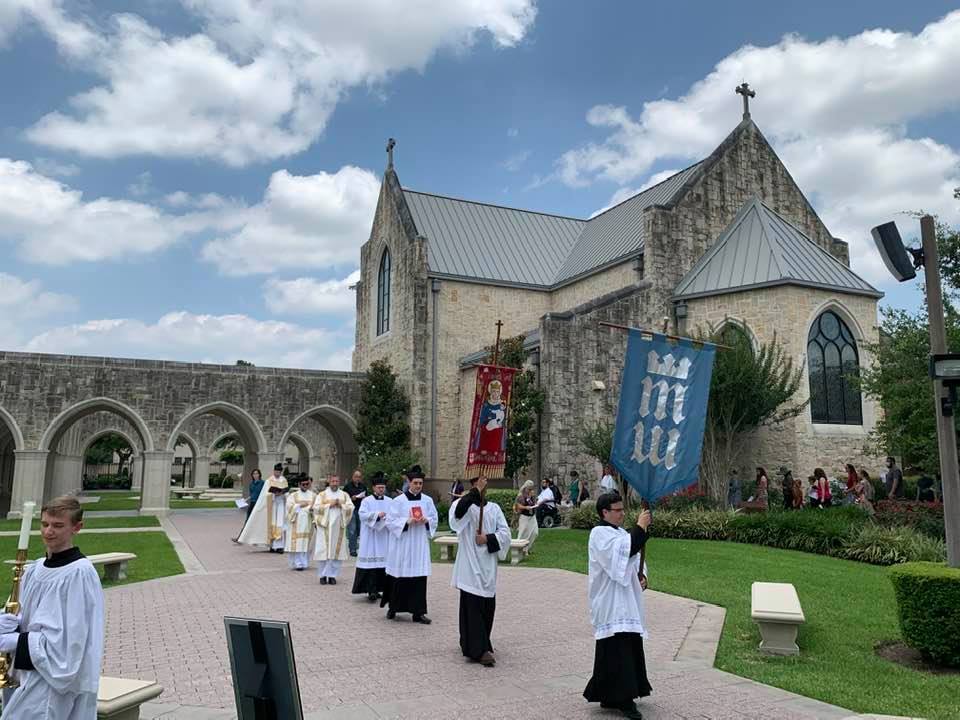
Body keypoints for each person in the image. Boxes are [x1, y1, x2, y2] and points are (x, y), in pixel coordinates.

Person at [0, 496, 104, 719]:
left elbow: (72, 641)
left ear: (77, 527)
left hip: (54, 681)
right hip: (24, 670)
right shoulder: (34, 569)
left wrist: (19, 641)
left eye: (58, 525)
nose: (49, 531)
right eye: (45, 524)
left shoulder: (79, 574)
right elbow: (21, 614)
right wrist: (6, 621)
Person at [583, 492, 652, 720]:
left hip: (626, 601)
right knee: (617, 649)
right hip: (611, 601)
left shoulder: (621, 533)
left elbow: (631, 560)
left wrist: (642, 576)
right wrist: (641, 528)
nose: (622, 513)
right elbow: (619, 558)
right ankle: (623, 699)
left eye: (623, 509)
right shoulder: (599, 534)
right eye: (618, 510)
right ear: (605, 512)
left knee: (625, 646)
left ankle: (609, 693)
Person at [450, 476, 511, 666]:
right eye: (478, 483)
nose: (483, 486)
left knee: (486, 607)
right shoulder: (464, 505)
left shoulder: (493, 509)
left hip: (488, 566)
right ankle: (478, 649)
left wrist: (488, 538)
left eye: (484, 482)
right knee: (472, 607)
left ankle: (479, 641)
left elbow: (506, 533)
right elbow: (457, 517)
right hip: (469, 566)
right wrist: (474, 493)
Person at [383, 469, 438, 623]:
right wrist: (406, 521)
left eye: (420, 483)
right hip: (404, 545)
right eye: (415, 483)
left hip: (419, 544)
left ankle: (418, 612)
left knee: (419, 578)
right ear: (409, 483)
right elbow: (390, 521)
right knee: (400, 576)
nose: (418, 486)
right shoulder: (398, 501)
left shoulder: (427, 500)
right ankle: (393, 608)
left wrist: (427, 521)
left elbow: (434, 518)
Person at [352, 471, 392, 602]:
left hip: (384, 536)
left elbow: (394, 515)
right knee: (371, 563)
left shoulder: (390, 501)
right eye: (379, 487)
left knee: (383, 563)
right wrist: (376, 515)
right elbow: (362, 515)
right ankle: (371, 590)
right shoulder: (366, 501)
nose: (381, 490)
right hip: (370, 536)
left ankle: (381, 588)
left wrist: (387, 518)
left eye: (383, 488)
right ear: (374, 488)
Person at [312, 475, 354, 585]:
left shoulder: (344, 495)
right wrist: (329, 505)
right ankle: (322, 575)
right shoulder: (322, 495)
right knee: (323, 552)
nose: (335, 483)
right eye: (333, 481)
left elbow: (351, 507)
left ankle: (332, 576)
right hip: (325, 527)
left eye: (337, 481)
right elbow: (315, 508)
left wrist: (341, 505)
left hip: (338, 528)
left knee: (336, 553)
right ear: (329, 482)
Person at [237, 462, 288, 551]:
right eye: (276, 471)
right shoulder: (269, 481)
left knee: (280, 524)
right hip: (271, 505)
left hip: (280, 504)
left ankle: (279, 546)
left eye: (279, 472)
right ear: (274, 471)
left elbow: (287, 493)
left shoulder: (284, 480)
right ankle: (272, 545)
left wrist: (283, 493)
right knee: (272, 524)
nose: (277, 473)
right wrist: (274, 493)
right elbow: (265, 494)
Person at [285, 475, 316, 571]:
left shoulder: (313, 496)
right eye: (303, 484)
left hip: (308, 522)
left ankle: (305, 562)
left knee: (307, 543)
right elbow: (289, 507)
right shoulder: (293, 496)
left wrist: (312, 509)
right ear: (299, 484)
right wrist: (299, 505)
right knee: (298, 543)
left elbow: (318, 507)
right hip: (297, 523)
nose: (306, 486)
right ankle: (298, 563)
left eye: (307, 484)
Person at [343, 469, 367, 557]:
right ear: (352, 477)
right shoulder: (348, 486)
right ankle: (352, 549)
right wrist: (351, 498)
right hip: (351, 510)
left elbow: (366, 496)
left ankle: (359, 547)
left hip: (360, 509)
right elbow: (344, 498)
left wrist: (364, 498)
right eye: (356, 477)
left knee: (360, 529)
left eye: (359, 477)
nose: (358, 478)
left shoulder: (363, 486)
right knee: (352, 530)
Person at [514, 479, 539, 553]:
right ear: (525, 487)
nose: (530, 490)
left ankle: (527, 548)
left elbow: (534, 503)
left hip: (532, 516)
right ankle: (518, 549)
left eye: (531, 488)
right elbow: (517, 505)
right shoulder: (521, 495)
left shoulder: (532, 494)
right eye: (529, 489)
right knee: (522, 533)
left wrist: (536, 503)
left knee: (534, 533)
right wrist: (525, 507)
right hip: (524, 516)